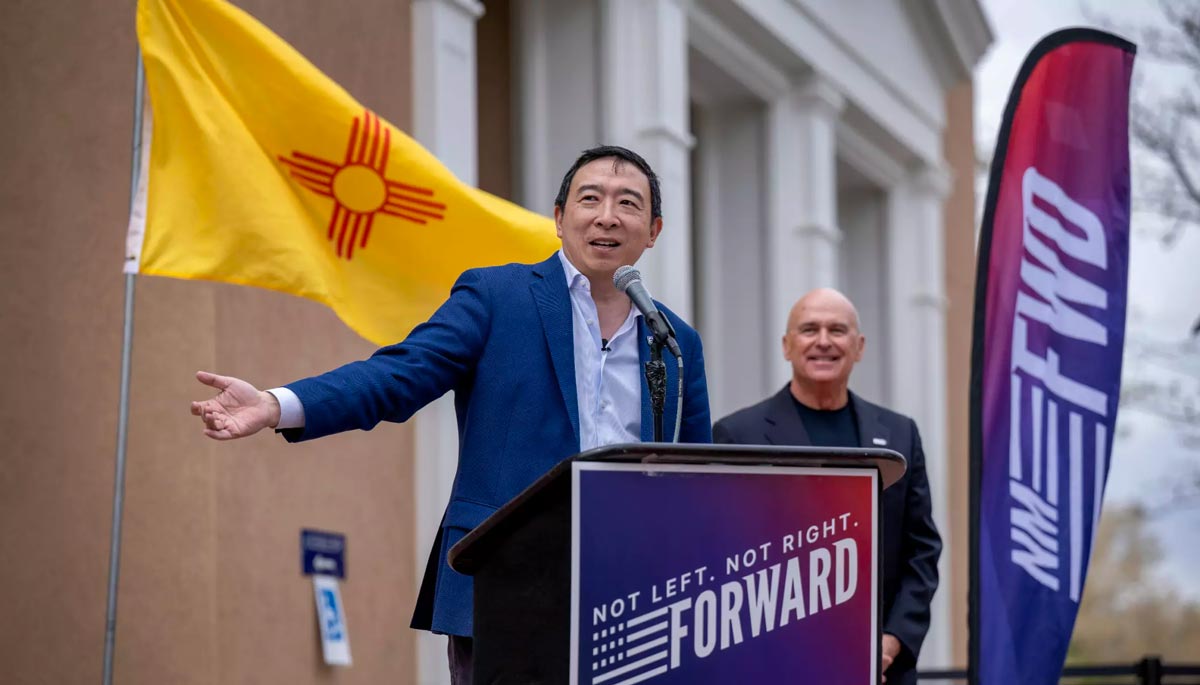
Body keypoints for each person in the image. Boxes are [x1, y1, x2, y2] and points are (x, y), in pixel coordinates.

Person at [190, 145, 712, 682]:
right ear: (559, 218)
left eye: (628, 203)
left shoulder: (674, 342)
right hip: (506, 583)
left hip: (631, 597)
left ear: (653, 230)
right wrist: (278, 404)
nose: (607, 215)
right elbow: (399, 375)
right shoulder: (497, 296)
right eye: (590, 198)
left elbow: (700, 480)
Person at [712, 288, 940, 685]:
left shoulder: (900, 434)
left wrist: (889, 644)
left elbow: (921, 550)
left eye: (837, 330)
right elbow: (723, 557)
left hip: (880, 669)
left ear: (859, 346)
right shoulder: (737, 435)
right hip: (774, 664)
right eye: (808, 329)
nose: (823, 341)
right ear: (786, 345)